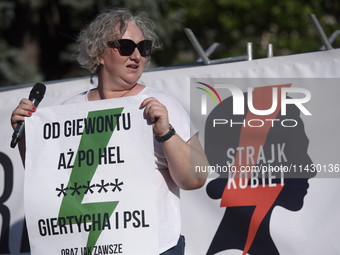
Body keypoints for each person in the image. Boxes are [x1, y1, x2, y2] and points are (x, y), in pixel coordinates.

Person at [10, 8, 208, 255]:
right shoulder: (70, 111)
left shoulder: (160, 103)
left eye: (143, 47)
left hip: (155, 248)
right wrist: (25, 137)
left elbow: (197, 177)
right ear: (99, 53)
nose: (136, 55)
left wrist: (166, 133)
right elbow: (50, 182)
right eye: (125, 46)